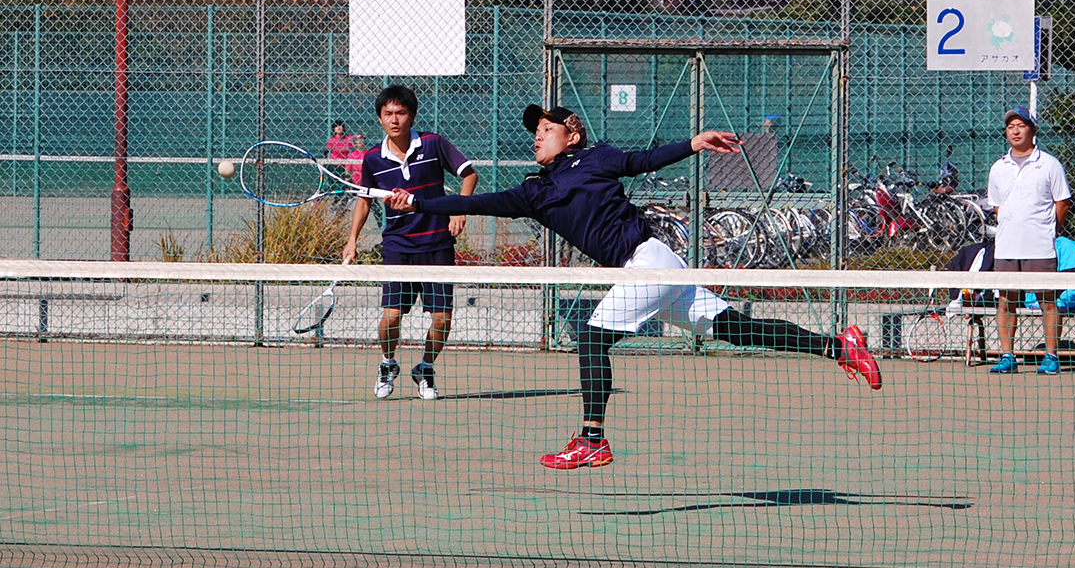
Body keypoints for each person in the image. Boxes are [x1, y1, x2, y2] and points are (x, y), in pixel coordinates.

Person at [388, 104, 882, 470]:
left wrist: (692, 143)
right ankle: (839, 346)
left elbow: (644, 160)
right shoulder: (534, 192)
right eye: (534, 132)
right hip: (647, 271)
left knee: (593, 336)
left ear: (572, 134)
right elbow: (477, 205)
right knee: (738, 329)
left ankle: (592, 439)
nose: (536, 137)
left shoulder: (598, 159)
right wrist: (419, 204)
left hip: (648, 260)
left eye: (546, 130)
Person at [343, 85, 479, 401]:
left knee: (443, 319)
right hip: (398, 245)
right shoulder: (373, 159)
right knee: (391, 316)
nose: (395, 120)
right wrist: (352, 241)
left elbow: (469, 175)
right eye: (388, 114)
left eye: (401, 113)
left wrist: (460, 207)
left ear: (412, 115)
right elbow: (364, 201)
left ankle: (425, 368)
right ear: (379, 118)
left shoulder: (433, 144)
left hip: (437, 244)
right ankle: (388, 363)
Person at [986, 106, 1071, 375]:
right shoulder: (998, 168)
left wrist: (1047, 229)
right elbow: (998, 206)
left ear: (1032, 131)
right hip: (1007, 248)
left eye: (1021, 125)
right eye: (1010, 126)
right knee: (1006, 301)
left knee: (1047, 301)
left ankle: (1051, 356)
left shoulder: (1050, 164)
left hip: (1040, 247)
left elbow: (1063, 202)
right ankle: (1007, 356)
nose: (1015, 130)